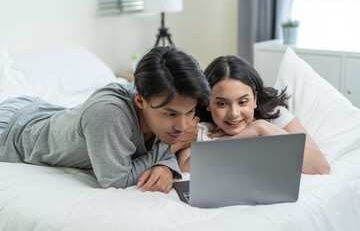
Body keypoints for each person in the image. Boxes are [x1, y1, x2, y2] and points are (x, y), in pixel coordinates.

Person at [0, 46, 211, 193]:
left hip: (41, 111)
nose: (183, 126)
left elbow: (160, 151)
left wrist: (165, 166)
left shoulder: (164, 100)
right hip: (12, 129)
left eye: (189, 112)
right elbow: (116, 181)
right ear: (140, 99)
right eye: (170, 114)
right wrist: (173, 149)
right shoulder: (108, 113)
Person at [176, 55, 330, 175]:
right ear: (208, 103)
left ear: (255, 99)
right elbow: (185, 167)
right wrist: (237, 139)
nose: (234, 114)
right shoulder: (197, 127)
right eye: (222, 104)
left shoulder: (274, 117)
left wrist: (260, 127)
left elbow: (321, 166)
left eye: (242, 102)